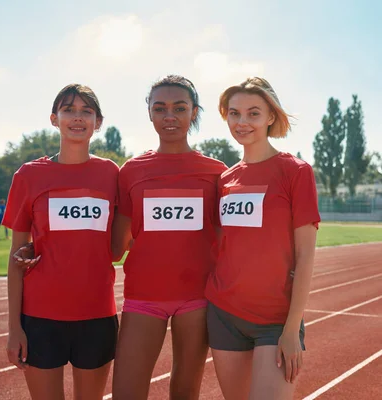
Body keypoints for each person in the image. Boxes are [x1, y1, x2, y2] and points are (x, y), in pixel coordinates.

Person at [111, 75, 227, 400]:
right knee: (126, 392)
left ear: (194, 112)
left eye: (179, 108)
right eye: (160, 108)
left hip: (198, 297)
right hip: (144, 295)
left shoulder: (217, 172)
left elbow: (229, 239)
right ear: (149, 113)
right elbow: (114, 248)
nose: (169, 116)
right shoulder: (131, 171)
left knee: (185, 392)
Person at [205, 77, 320, 400]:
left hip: (275, 320)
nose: (242, 122)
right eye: (234, 113)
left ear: (271, 117)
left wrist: (291, 329)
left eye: (253, 113)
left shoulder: (295, 172)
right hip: (224, 313)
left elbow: (306, 256)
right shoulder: (225, 179)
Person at [3, 84, 119, 400]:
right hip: (40, 318)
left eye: (87, 111)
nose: (77, 118)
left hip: (96, 315)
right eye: (69, 110)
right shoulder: (29, 175)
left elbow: (121, 242)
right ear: (55, 119)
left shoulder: (111, 174)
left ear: (99, 121)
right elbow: (16, 256)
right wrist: (14, 329)